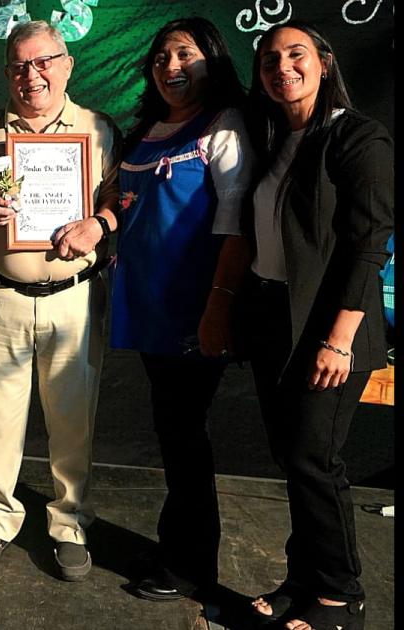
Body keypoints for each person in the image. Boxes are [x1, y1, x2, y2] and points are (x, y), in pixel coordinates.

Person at [213, 21, 391, 630]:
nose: (281, 67)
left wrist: (338, 340)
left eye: (296, 55)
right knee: (295, 460)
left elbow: (369, 246)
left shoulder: (358, 137)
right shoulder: (274, 140)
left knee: (316, 461)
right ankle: (303, 580)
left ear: (325, 63)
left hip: (330, 332)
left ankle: (343, 598)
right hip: (273, 321)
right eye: (268, 59)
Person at [0, 20, 121, 579]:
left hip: (73, 298)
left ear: (67, 65)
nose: (31, 74)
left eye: (44, 62)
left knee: (72, 421)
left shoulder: (96, 128)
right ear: (7, 73)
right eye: (19, 64)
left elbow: (121, 201)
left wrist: (100, 223)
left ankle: (69, 522)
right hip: (1, 296)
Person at [108, 18, 255, 601]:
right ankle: (177, 544)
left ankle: (192, 567)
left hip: (196, 310)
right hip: (149, 306)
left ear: (210, 60)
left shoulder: (225, 125)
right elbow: (126, 206)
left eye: (185, 54)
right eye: (162, 56)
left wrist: (217, 309)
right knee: (173, 432)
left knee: (186, 436)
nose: (172, 65)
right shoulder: (145, 129)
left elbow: (238, 227)